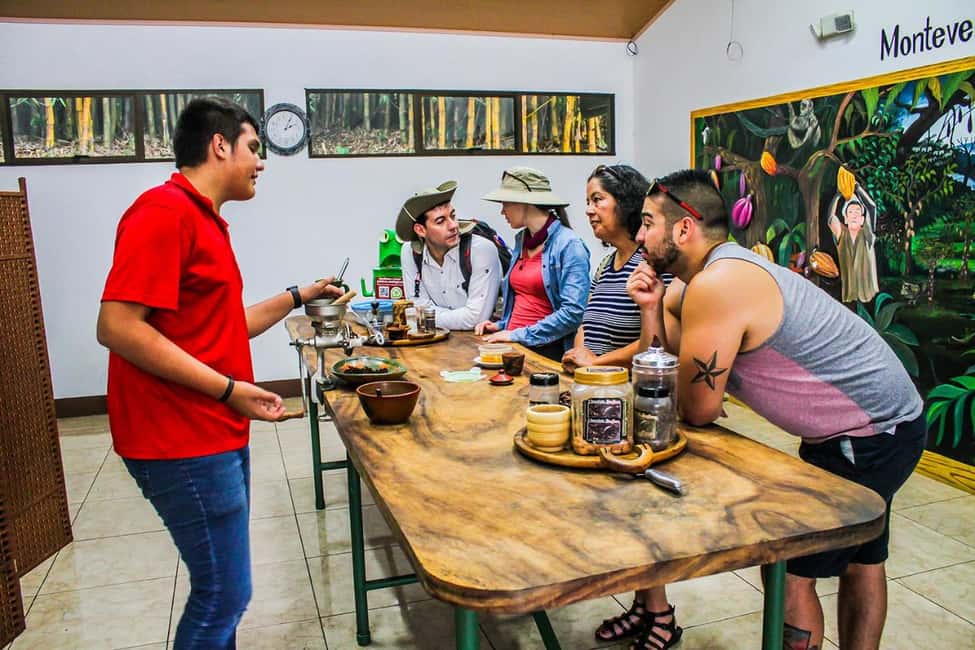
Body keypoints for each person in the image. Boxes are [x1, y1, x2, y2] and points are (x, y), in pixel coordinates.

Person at [622, 169, 924, 650]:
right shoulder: (702, 279)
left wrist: (696, 389)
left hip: (869, 432)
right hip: (887, 422)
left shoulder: (719, 284)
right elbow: (660, 366)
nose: (638, 236)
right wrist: (651, 309)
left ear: (684, 228)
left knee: (789, 566)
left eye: (646, 223)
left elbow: (697, 409)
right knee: (863, 557)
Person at [96, 97, 342, 649]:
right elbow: (117, 326)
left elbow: (223, 326)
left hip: (212, 431)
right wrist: (229, 389)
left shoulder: (203, 219)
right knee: (223, 596)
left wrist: (299, 295)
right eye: (254, 148)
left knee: (221, 592)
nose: (261, 162)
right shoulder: (164, 211)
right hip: (180, 438)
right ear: (220, 145)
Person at [474, 167, 590, 361]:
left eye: (505, 203)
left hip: (545, 352)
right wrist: (501, 325)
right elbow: (526, 301)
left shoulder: (570, 245)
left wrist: (516, 334)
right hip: (514, 346)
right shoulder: (522, 240)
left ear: (524, 203)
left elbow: (572, 314)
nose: (502, 211)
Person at [562, 164, 655, 373]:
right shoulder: (605, 264)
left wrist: (596, 363)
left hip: (624, 386)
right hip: (591, 381)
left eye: (597, 199)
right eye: (588, 202)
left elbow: (657, 340)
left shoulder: (651, 263)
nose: (588, 210)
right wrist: (579, 356)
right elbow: (585, 325)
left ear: (625, 202)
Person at [396, 180, 503, 330]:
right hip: (438, 337)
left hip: (486, 339)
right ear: (420, 230)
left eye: (453, 216)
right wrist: (457, 317)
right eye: (440, 221)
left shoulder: (480, 249)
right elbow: (415, 305)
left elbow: (476, 318)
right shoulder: (410, 252)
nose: (453, 225)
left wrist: (427, 316)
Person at [827, 184, 879, 303]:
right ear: (845, 218)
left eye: (857, 212)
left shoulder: (867, 235)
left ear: (862, 219)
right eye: (850, 212)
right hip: (849, 298)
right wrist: (837, 196)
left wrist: (859, 190)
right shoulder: (841, 234)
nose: (854, 215)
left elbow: (872, 208)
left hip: (869, 298)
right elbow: (831, 218)